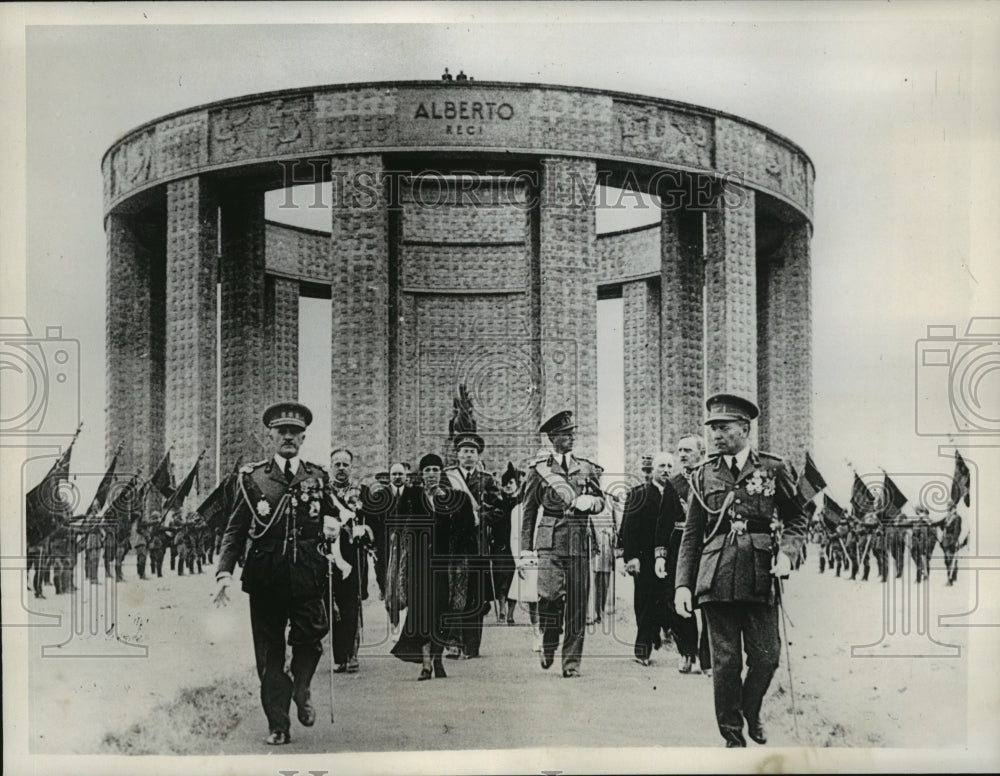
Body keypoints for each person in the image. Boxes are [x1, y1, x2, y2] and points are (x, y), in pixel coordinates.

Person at [674, 393, 807, 747]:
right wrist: (682, 586)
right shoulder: (703, 474)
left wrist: (788, 555)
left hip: (762, 574)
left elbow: (797, 518)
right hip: (715, 575)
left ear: (744, 428)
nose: (716, 435)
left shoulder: (773, 468)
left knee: (767, 656)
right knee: (726, 662)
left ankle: (751, 710)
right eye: (713, 428)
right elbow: (691, 535)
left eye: (723, 427)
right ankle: (732, 736)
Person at [214, 401, 339, 746]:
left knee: (312, 637)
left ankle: (301, 688)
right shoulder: (253, 478)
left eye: (295, 432)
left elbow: (332, 515)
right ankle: (279, 724)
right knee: (269, 654)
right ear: (271, 435)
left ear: (303, 437)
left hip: (307, 574)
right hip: (266, 577)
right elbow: (235, 529)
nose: (288, 437)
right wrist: (224, 571)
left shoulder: (317, 476)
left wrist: (334, 526)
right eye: (282, 431)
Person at [520, 410, 605, 678]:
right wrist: (524, 549)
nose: (572, 437)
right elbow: (529, 510)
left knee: (578, 605)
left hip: (580, 540)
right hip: (549, 541)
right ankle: (549, 640)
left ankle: (571, 664)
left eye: (572, 433)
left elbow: (601, 500)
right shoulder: (539, 470)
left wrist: (591, 503)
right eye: (566, 434)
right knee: (549, 597)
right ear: (553, 437)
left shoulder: (587, 467)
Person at [390, 453, 478, 680]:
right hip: (419, 565)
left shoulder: (455, 497)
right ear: (421, 474)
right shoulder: (411, 497)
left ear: (441, 473)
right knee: (421, 615)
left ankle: (437, 658)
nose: (431, 474)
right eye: (427, 470)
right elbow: (400, 527)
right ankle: (426, 664)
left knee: (442, 613)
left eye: (435, 470)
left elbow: (465, 530)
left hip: (444, 567)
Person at [443, 432, 503, 658]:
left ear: (478, 456)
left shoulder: (486, 479)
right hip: (454, 544)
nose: (468, 455)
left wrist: (481, 517)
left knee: (475, 595)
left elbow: (498, 510)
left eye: (472, 452)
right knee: (453, 592)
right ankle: (453, 642)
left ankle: (472, 645)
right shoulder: (447, 477)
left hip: (477, 544)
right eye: (464, 451)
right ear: (457, 455)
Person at [623, 452, 684, 665]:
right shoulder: (638, 494)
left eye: (669, 466)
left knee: (667, 600)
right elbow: (628, 529)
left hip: (669, 557)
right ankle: (643, 651)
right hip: (644, 558)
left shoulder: (675, 495)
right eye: (662, 466)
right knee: (645, 602)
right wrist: (631, 557)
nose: (666, 470)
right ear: (653, 470)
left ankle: (665, 639)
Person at [660, 434, 711, 675]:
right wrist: (660, 554)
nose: (682, 455)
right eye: (679, 450)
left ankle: (707, 658)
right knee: (680, 602)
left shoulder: (712, 477)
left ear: (701, 453)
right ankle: (686, 652)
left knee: (710, 602)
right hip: (680, 548)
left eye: (688, 450)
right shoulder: (675, 483)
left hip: (709, 547)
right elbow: (663, 521)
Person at [327, 448, 372, 674]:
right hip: (329, 556)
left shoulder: (361, 492)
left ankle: (352, 653)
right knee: (333, 605)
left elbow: (373, 520)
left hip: (354, 555)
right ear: (331, 467)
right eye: (337, 464)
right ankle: (339, 656)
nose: (342, 469)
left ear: (351, 467)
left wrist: (365, 530)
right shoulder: (324, 493)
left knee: (351, 604)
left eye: (345, 464)